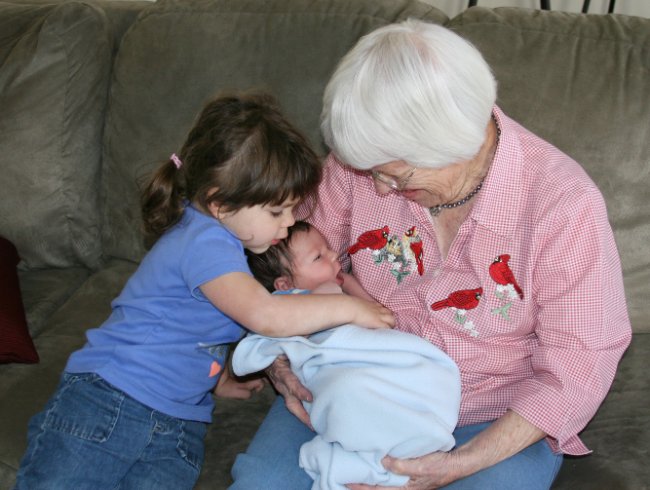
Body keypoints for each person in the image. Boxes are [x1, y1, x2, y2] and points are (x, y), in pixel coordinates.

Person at [229, 20, 632, 490]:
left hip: (490, 413)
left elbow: (578, 366)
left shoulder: (562, 206)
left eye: (394, 175)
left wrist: (459, 464)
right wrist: (280, 357)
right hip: (354, 384)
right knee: (262, 483)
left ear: (452, 143)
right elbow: (270, 255)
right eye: (369, 171)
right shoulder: (360, 167)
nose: (377, 187)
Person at [14, 93, 393, 490]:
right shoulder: (204, 242)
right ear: (220, 204)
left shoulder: (227, 244)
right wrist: (351, 309)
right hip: (112, 398)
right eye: (277, 212)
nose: (290, 224)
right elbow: (265, 316)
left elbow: (196, 327)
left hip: (178, 420)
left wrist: (214, 378)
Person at [233, 221, 461, 489]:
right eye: (319, 256)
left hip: (374, 363)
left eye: (329, 248)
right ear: (284, 285)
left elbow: (379, 315)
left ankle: (384, 444)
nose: (332, 256)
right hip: (336, 378)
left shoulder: (337, 286)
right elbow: (263, 336)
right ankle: (380, 454)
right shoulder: (288, 305)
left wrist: (348, 284)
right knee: (347, 391)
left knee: (358, 389)